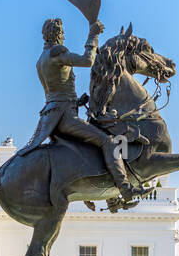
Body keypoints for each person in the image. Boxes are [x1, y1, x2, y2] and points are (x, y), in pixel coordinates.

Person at [15, 16, 137, 201]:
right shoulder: (57, 53)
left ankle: (106, 194)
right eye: (62, 33)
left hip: (52, 115)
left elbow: (56, 92)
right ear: (57, 35)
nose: (63, 37)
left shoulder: (41, 59)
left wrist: (77, 102)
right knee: (108, 141)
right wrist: (92, 35)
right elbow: (88, 60)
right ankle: (125, 189)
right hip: (65, 117)